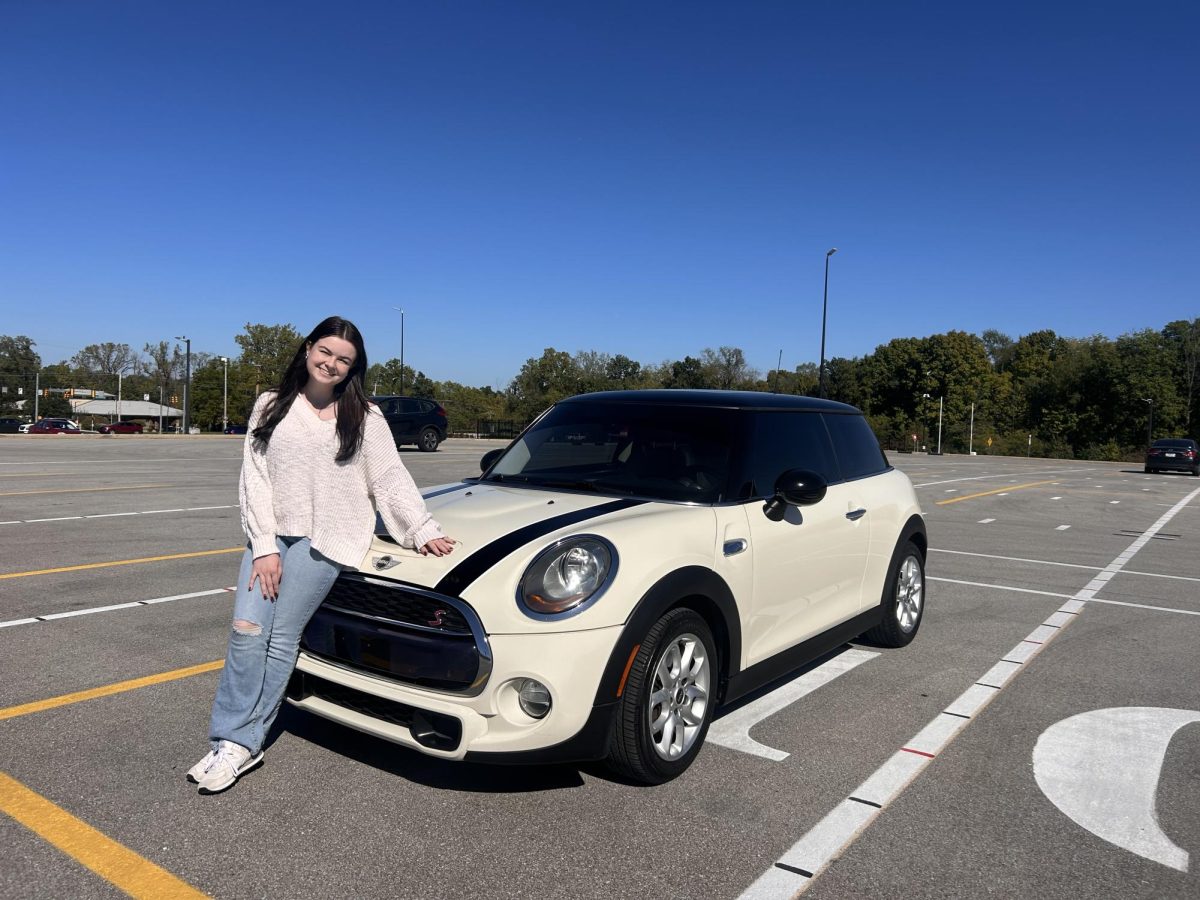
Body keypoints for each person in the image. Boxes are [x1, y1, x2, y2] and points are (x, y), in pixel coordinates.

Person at [187, 316, 455, 794]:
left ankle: (243, 743)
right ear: (309, 349)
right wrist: (264, 547)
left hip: (327, 538)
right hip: (272, 536)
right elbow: (256, 477)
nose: (331, 364)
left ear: (354, 368)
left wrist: (420, 528)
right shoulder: (270, 405)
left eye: (344, 360)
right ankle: (232, 735)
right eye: (325, 352)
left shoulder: (365, 417)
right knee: (246, 630)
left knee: (280, 637)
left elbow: (389, 478)